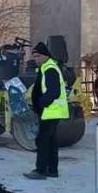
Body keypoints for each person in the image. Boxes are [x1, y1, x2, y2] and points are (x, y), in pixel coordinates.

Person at [25, 42, 70, 179]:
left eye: (38, 56)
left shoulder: (50, 69)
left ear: (46, 56)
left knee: (43, 141)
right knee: (50, 142)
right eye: (34, 56)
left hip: (50, 111)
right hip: (50, 111)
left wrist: (41, 103)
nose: (36, 59)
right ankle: (52, 169)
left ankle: (41, 170)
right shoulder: (46, 68)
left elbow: (53, 92)